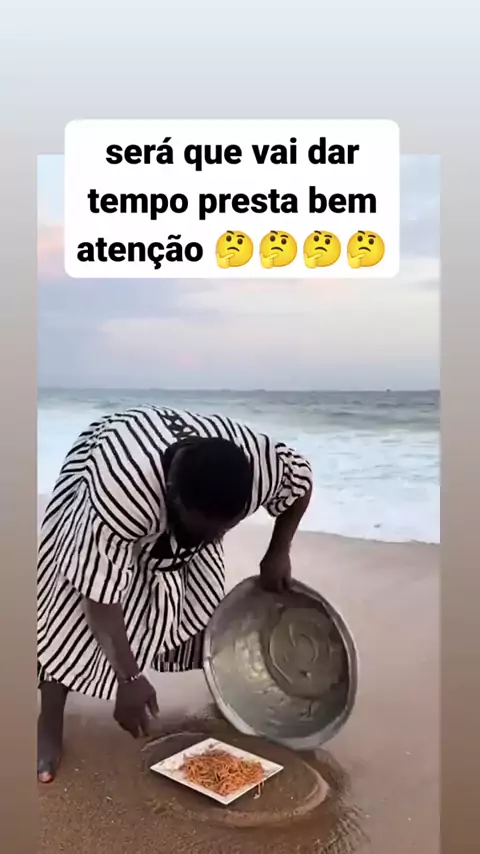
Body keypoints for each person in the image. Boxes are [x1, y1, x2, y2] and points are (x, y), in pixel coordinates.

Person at [37, 405, 312, 782]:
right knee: (68, 614)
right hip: (105, 463)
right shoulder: (122, 493)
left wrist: (278, 550)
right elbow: (98, 598)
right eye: (204, 530)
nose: (213, 540)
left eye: (222, 530)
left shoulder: (260, 468)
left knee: (201, 605)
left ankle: (230, 697)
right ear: (174, 499)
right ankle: (49, 720)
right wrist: (129, 679)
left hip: (181, 499)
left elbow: (301, 481)